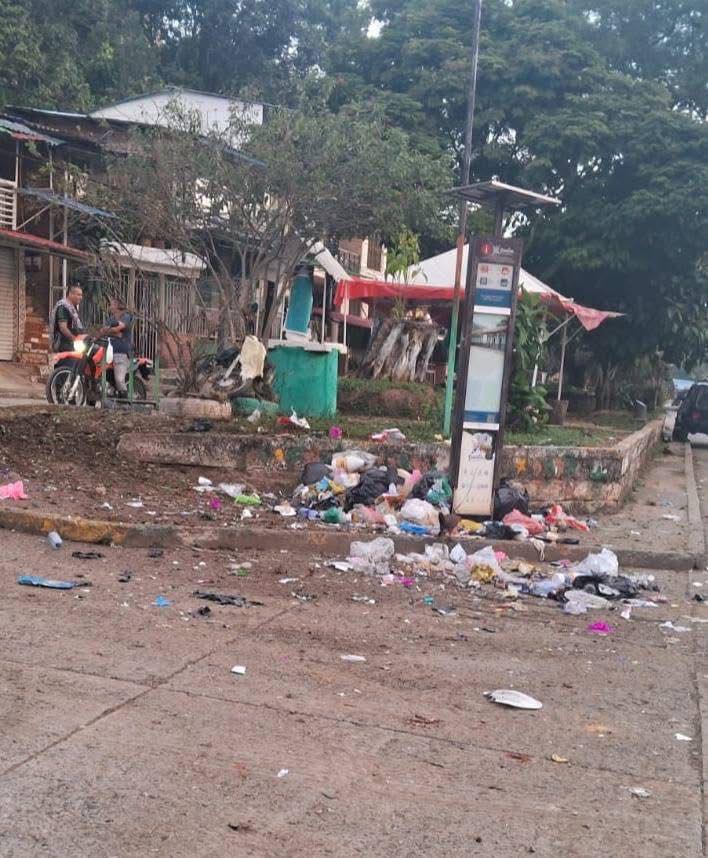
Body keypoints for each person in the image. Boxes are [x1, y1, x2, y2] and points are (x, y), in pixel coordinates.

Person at [100, 296, 133, 397]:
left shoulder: (126, 317)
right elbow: (102, 330)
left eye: (112, 304)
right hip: (108, 351)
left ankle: (125, 400)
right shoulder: (111, 319)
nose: (110, 306)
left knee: (119, 379)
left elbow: (119, 327)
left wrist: (110, 331)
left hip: (120, 352)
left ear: (117, 306)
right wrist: (114, 332)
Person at [49, 283, 84, 352]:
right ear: (70, 294)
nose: (81, 297)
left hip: (71, 346)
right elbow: (63, 328)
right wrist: (75, 339)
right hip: (63, 346)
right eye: (78, 295)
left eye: (81, 295)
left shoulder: (72, 308)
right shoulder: (63, 307)